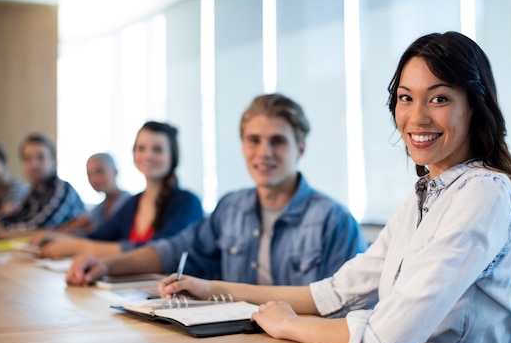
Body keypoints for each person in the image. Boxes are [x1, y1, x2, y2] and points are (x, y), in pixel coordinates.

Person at [155, 32, 511, 343]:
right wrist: (212, 290)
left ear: (475, 106)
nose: (417, 117)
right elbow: (334, 293)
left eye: (439, 99)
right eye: (406, 98)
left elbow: (386, 339)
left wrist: (288, 324)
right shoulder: (426, 196)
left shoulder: (483, 191)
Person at [66, 93, 367, 286]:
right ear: (242, 146)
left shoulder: (334, 221)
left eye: (277, 141)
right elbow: (173, 251)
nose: (263, 153)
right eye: (253, 140)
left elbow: (350, 308)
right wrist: (106, 266)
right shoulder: (231, 208)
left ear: (300, 148)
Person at [37, 121, 203, 258]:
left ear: (173, 156)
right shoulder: (134, 203)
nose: (148, 156)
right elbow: (99, 236)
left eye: (157, 149)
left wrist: (79, 247)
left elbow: (158, 251)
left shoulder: (188, 202)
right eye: (141, 148)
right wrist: (57, 237)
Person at [0, 134, 85, 239]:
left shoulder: (62, 189)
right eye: (27, 159)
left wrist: (3, 231)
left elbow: (41, 226)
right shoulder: (35, 192)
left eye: (41, 157)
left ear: (53, 160)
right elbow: (18, 216)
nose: (34, 164)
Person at [29, 153, 131, 242]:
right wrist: (51, 235)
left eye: (100, 171)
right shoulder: (100, 208)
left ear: (115, 171)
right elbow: (81, 224)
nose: (94, 178)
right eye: (89, 174)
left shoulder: (130, 203)